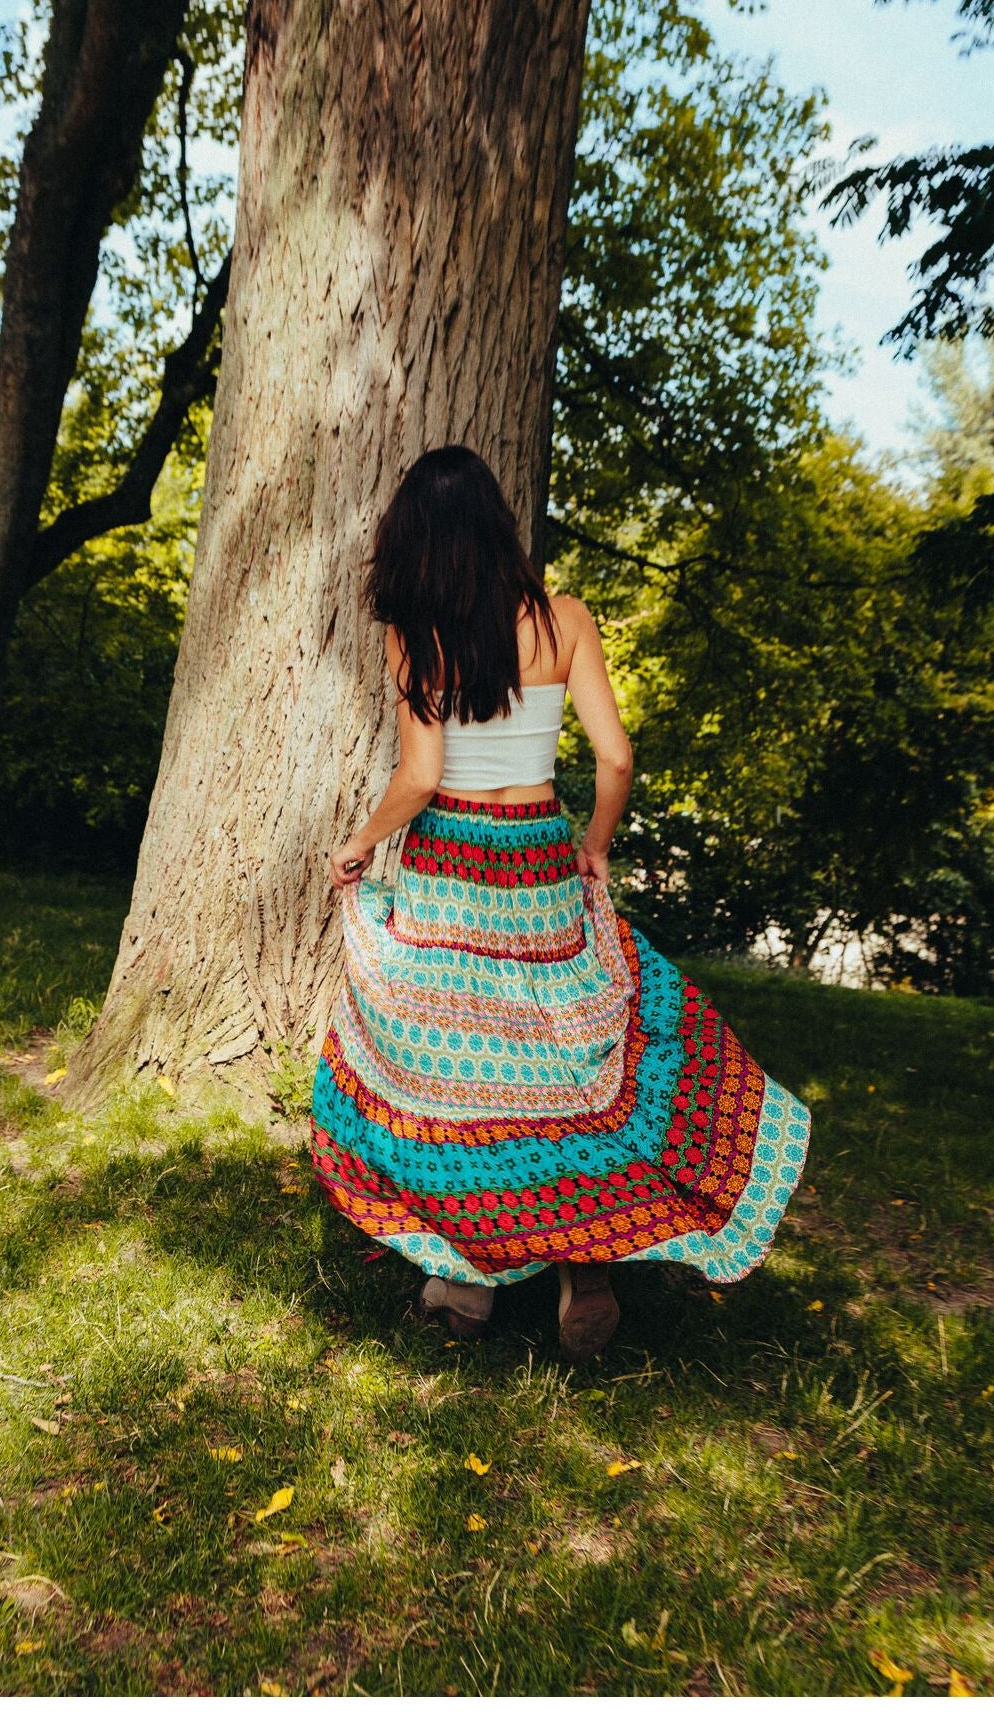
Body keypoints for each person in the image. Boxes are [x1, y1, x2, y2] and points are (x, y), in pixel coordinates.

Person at [311, 445, 811, 1363]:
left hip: (454, 859)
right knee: (564, 1056)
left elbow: (421, 776)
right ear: (497, 525)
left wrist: (360, 841)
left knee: (459, 1071)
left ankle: (469, 1277)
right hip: (539, 854)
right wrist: (595, 847)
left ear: (416, 536)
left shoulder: (415, 632)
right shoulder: (565, 616)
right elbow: (615, 758)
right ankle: (586, 1259)